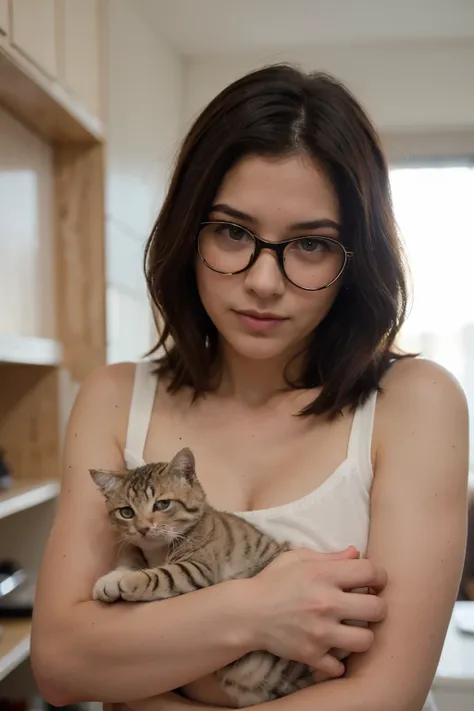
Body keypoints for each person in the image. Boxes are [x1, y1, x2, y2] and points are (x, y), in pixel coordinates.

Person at [31, 65, 469, 711]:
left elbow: (385, 694)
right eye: (234, 232)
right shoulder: (115, 396)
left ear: (357, 260)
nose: (265, 281)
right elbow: (63, 664)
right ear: (190, 232)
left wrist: (149, 671)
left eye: (311, 244)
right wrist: (256, 608)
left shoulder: (416, 402)